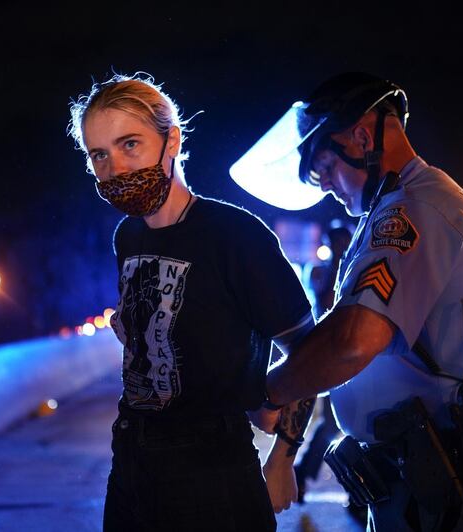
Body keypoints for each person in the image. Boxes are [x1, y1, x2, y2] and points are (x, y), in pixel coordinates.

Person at [232, 72, 463, 530]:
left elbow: (353, 341)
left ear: (360, 137)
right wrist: (284, 454)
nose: (328, 189)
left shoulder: (419, 209)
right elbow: (331, 340)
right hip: (421, 480)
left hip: (456, 488)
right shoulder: (389, 212)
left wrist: (268, 390)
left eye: (326, 170)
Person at [68, 74, 318, 531]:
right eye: (98, 155)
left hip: (213, 472)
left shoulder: (236, 235)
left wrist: (282, 459)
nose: (115, 168)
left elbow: (309, 351)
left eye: (130, 145)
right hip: (131, 458)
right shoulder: (127, 235)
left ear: (172, 140)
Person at [294, 226, 351, 502]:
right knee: (332, 423)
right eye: (337, 242)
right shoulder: (320, 271)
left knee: (337, 424)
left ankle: (303, 473)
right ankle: (301, 472)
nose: (342, 246)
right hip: (330, 355)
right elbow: (326, 301)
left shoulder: (353, 267)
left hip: (348, 355)